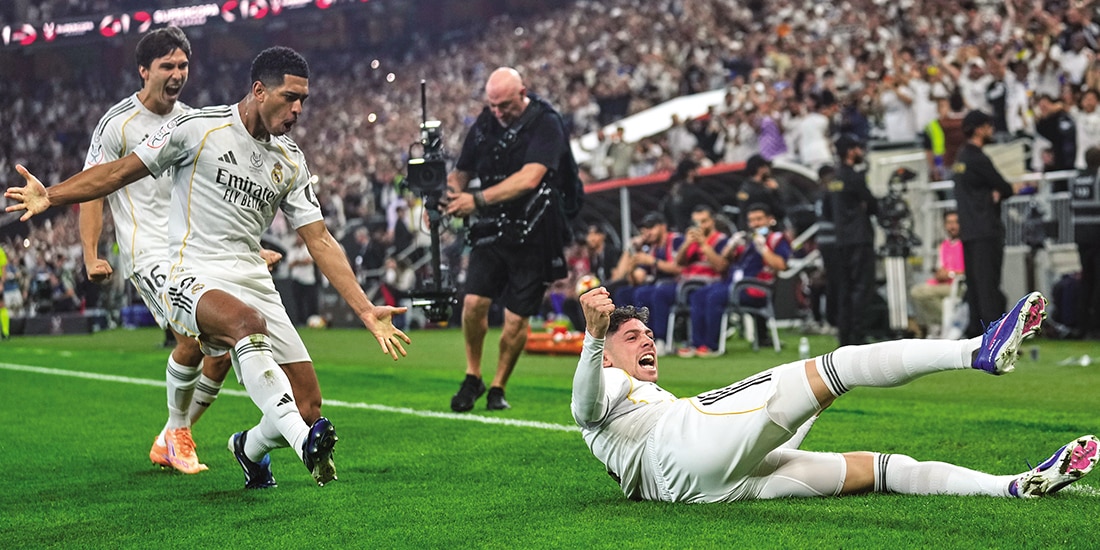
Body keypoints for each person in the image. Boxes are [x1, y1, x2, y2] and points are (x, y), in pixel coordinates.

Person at [6, 46, 411, 489]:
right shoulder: (198, 128)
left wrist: (366, 309)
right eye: (289, 97)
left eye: (304, 101)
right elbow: (118, 172)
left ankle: (249, 449)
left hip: (252, 275)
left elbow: (321, 240)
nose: (297, 109)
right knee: (245, 325)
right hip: (192, 272)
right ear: (259, 91)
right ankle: (301, 444)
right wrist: (53, 195)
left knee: (308, 403)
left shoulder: (290, 159)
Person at [572, 287, 1098, 502]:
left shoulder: (632, 391)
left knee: (880, 469)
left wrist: (603, 341)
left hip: (706, 489)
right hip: (681, 444)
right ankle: (978, 350)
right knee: (838, 364)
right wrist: (594, 337)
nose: (648, 341)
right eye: (631, 337)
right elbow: (584, 409)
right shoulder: (604, 378)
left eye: (648, 334)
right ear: (607, 353)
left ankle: (1013, 485)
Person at [441, 67, 572, 412]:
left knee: (516, 319)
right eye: (493, 105)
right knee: (472, 305)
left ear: (522, 93)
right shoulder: (484, 123)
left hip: (535, 231)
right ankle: (473, 375)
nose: (498, 112)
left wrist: (477, 199)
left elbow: (530, 178)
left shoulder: (547, 122)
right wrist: (451, 193)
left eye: (505, 105)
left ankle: (498, 385)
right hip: (491, 230)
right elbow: (461, 170)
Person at [686, 204, 791, 356]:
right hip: (734, 285)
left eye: (759, 219)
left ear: (770, 220)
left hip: (756, 289)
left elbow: (781, 266)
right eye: (752, 220)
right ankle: (697, 344)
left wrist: (764, 250)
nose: (755, 224)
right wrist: (731, 246)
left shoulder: (777, 239)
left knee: (714, 297)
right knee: (698, 295)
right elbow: (724, 262)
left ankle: (712, 346)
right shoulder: (746, 240)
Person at [952, 110, 1015, 338]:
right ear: (979, 129)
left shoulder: (960, 158)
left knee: (976, 285)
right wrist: (996, 192)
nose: (991, 131)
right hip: (986, 229)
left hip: (968, 231)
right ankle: (994, 337)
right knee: (989, 285)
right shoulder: (978, 158)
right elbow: (1005, 187)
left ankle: (975, 335)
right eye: (988, 126)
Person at [821, 135, 878, 346]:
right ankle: (858, 337)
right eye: (857, 148)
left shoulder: (832, 180)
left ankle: (844, 339)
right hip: (860, 239)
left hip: (840, 241)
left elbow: (827, 211)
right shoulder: (854, 177)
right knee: (862, 288)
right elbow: (872, 205)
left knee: (844, 289)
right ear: (851, 151)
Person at [909, 211, 965, 338]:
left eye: (956, 222)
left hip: (958, 285)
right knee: (916, 293)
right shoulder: (943, 245)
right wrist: (940, 273)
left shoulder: (965, 244)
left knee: (920, 292)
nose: (953, 226)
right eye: (949, 223)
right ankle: (938, 325)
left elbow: (967, 270)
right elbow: (940, 267)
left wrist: (950, 274)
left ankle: (945, 324)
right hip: (941, 284)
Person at [1070, 146, 1100, 339]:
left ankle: (1081, 325)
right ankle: (1095, 326)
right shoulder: (1097, 178)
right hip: (1097, 234)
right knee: (1098, 282)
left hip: (1080, 235)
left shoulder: (1075, 178)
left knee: (1086, 281)